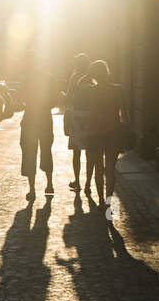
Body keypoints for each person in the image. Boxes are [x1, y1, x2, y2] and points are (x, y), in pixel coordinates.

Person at [83, 59, 128, 206]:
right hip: (113, 133)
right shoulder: (118, 90)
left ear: (94, 75)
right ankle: (109, 202)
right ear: (107, 72)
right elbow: (125, 114)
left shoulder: (90, 91)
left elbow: (85, 112)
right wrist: (126, 129)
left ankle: (101, 200)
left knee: (98, 168)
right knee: (110, 170)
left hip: (95, 133)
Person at [19, 51, 56, 201]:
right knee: (46, 150)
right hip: (45, 118)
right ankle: (49, 184)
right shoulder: (49, 79)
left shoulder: (26, 80)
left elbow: (20, 99)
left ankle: (32, 189)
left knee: (29, 152)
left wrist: (30, 103)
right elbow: (55, 102)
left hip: (30, 118)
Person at [63, 53, 92, 194]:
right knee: (90, 151)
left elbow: (68, 98)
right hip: (91, 116)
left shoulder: (74, 78)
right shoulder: (91, 78)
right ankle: (88, 183)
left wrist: (62, 96)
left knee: (77, 151)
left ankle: (77, 181)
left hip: (77, 116)